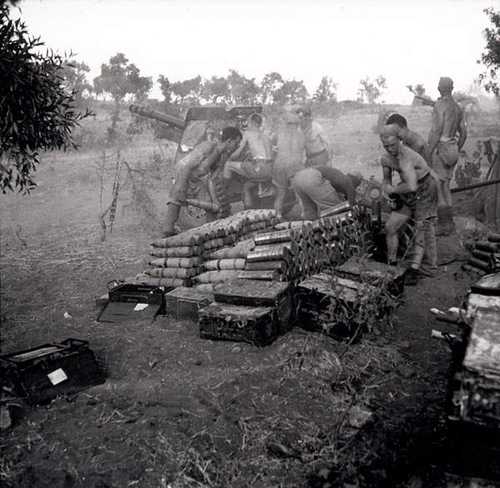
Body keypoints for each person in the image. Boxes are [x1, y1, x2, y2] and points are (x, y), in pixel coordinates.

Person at [379, 124, 439, 285]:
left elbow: (412, 185)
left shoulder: (407, 157)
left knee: (421, 228)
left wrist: (394, 189)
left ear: (400, 140)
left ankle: (417, 269)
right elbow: (386, 180)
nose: (390, 149)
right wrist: (388, 190)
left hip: (425, 188)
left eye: (392, 145)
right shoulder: (385, 158)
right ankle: (391, 264)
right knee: (391, 227)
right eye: (386, 146)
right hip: (407, 191)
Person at [163, 126, 242, 236]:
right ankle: (168, 230)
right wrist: (181, 185)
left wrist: (217, 198)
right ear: (229, 141)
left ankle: (211, 231)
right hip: (184, 174)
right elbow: (187, 166)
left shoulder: (223, 155)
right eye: (236, 143)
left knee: (214, 206)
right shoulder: (207, 146)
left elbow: (212, 177)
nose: (237, 146)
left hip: (199, 180)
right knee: (176, 199)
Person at [427, 76, 467, 235]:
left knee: (439, 187)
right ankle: (448, 223)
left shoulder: (439, 105)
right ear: (451, 88)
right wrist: (456, 147)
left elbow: (437, 131)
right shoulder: (457, 108)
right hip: (452, 149)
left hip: (441, 148)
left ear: (439, 88)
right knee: (447, 187)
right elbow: (464, 133)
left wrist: (429, 151)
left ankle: (444, 225)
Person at [223, 113, 274, 208]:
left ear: (251, 122)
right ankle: (249, 209)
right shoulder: (266, 136)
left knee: (228, 165)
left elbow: (237, 153)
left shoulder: (248, 134)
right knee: (246, 186)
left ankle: (223, 192)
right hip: (269, 170)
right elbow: (268, 156)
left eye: (248, 122)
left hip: (258, 168)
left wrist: (229, 157)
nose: (247, 124)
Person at [272, 108, 306, 220]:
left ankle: (278, 215)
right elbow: (301, 151)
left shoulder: (279, 134)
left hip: (280, 164)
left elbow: (273, 148)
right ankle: (304, 215)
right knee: (299, 193)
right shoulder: (300, 135)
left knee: (280, 193)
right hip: (294, 165)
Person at [291, 166, 361, 220]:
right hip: (312, 176)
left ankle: (310, 230)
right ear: (355, 180)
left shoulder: (337, 177)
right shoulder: (348, 181)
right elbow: (351, 203)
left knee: (310, 212)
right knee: (335, 209)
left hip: (297, 178)